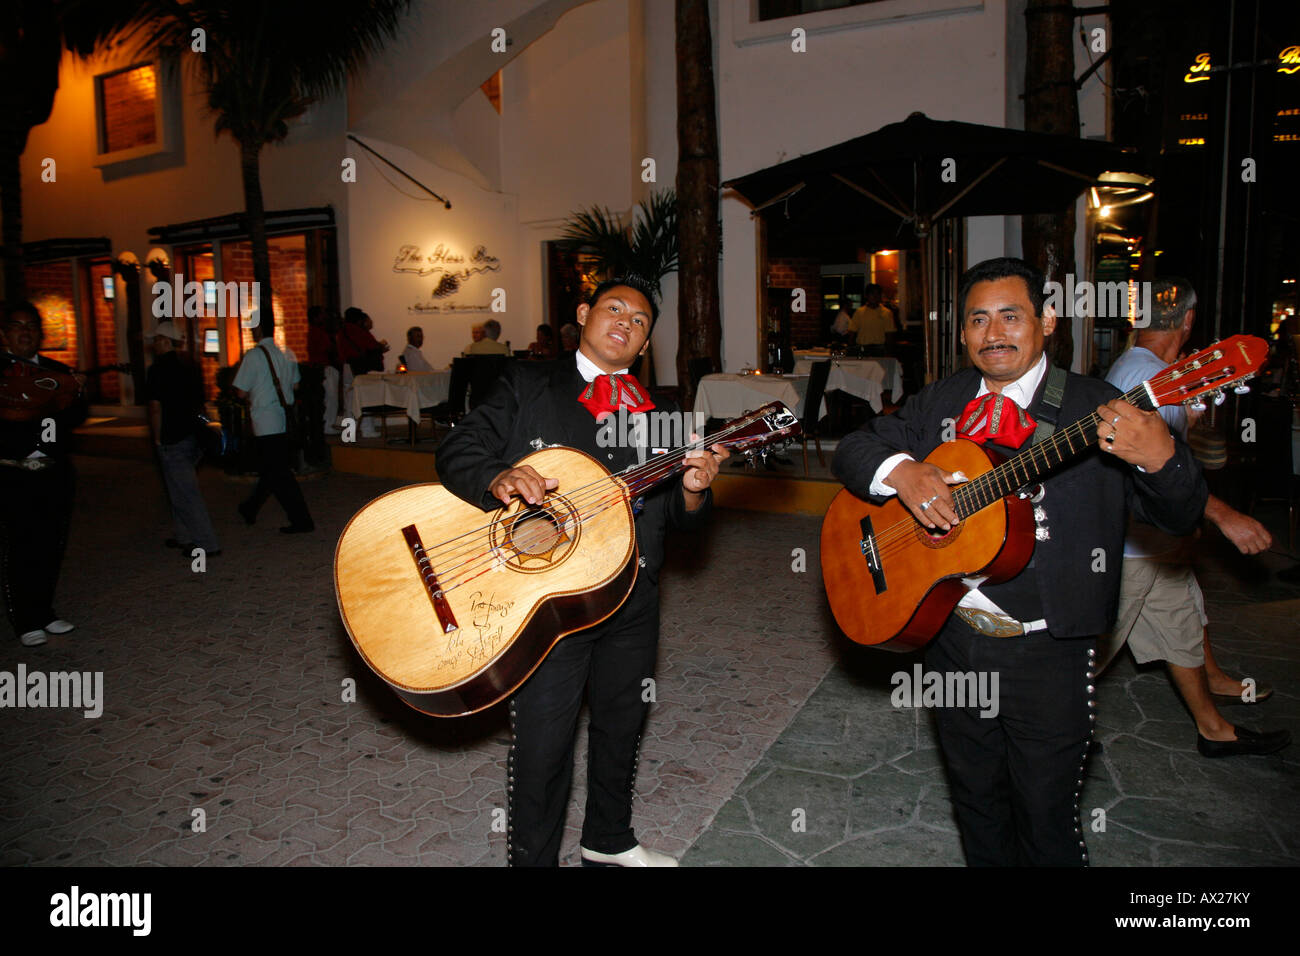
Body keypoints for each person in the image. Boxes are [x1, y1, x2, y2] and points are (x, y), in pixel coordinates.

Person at [833, 257, 1207, 866]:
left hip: (1047, 648)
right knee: (977, 803)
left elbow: (1179, 516)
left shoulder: (1099, 404)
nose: (994, 332)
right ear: (962, 334)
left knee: (1046, 818)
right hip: (951, 636)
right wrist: (902, 471)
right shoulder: (941, 400)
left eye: (1011, 315)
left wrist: (1163, 458)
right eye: (978, 319)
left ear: (1047, 320)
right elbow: (855, 447)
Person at [436, 275, 728, 867]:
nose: (625, 322)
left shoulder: (663, 411)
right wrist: (498, 477)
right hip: (549, 601)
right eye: (614, 308)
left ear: (645, 344)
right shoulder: (526, 383)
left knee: (623, 722)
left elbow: (680, 518)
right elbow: (457, 451)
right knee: (545, 738)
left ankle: (608, 838)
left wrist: (695, 490)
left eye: (640, 320)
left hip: (633, 591)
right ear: (584, 314)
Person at [1105, 277, 1289, 757]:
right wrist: (1225, 515)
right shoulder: (1141, 378)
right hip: (1131, 545)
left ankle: (1213, 727)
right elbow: (1154, 468)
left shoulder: (1145, 370)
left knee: (1182, 619)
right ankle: (1040, 727)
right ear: (1188, 321)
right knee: (1089, 653)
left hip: (1155, 539)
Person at [0, 301, 86, 647]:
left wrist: (76, 393)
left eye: (32, 326)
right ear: (5, 332)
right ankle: (24, 619)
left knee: (52, 544)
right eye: (18, 326)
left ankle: (45, 611)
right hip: (13, 472)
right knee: (22, 546)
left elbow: (76, 417)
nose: (26, 332)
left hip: (52, 470)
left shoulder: (56, 370)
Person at [146, 321, 221, 558]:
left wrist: (157, 438)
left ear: (166, 341)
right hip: (194, 434)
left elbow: (155, 407)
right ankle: (183, 535)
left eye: (156, 339)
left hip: (172, 436)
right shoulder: (190, 365)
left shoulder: (157, 369)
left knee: (186, 492)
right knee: (177, 487)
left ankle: (207, 543)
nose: (153, 344)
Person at [232, 320, 314, 534]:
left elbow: (240, 391)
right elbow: (295, 385)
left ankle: (301, 520)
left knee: (278, 472)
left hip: (265, 420)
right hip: (283, 418)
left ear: (257, 330)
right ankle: (249, 508)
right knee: (274, 468)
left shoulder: (254, 355)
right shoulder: (286, 353)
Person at [846, 283, 898, 347]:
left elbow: (889, 335)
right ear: (867, 296)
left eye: (877, 294)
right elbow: (852, 333)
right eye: (872, 293)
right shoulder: (859, 312)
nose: (875, 296)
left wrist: (888, 352)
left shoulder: (887, 313)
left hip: (880, 350)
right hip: (862, 349)